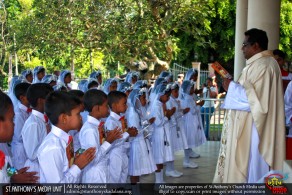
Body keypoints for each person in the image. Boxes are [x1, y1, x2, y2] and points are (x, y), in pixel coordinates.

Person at [213, 28, 285, 183]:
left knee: (253, 170)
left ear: (256, 46)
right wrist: (233, 86)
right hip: (250, 126)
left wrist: (231, 88)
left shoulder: (265, 65)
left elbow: (257, 102)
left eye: (244, 44)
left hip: (256, 130)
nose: (242, 48)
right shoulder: (259, 64)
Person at [37, 91, 96, 183]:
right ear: (64, 118)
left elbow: (65, 167)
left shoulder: (65, 139)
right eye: (78, 114)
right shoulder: (53, 147)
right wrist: (77, 166)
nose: (81, 118)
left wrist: (77, 158)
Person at [79, 89, 122, 183]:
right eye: (106, 106)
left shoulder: (97, 126)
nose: (108, 108)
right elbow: (93, 159)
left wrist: (108, 139)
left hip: (101, 171)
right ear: (96, 108)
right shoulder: (90, 129)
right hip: (95, 175)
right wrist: (108, 141)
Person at [0, 92, 38, 184]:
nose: (14, 124)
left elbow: (7, 166)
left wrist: (14, 174)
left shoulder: (2, 145)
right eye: (11, 119)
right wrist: (12, 180)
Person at [104, 91, 137, 183]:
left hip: (123, 152)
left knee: (123, 178)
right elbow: (112, 142)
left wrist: (131, 133)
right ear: (114, 106)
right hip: (115, 154)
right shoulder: (111, 121)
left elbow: (123, 135)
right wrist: (128, 134)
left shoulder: (121, 119)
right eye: (124, 104)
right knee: (115, 180)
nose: (126, 106)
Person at [21, 83, 53, 176]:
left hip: (43, 165)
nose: (52, 103)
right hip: (36, 170)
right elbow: (32, 155)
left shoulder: (42, 120)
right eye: (49, 99)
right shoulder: (34, 123)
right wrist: (48, 138)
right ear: (40, 101)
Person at [126, 88, 157, 184]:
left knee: (138, 169)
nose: (145, 100)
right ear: (136, 99)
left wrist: (146, 124)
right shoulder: (133, 113)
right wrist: (147, 124)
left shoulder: (138, 110)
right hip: (136, 144)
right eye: (143, 98)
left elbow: (141, 124)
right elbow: (135, 131)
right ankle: (135, 190)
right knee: (135, 170)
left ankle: (137, 190)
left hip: (140, 142)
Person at [149, 83, 175, 183]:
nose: (168, 98)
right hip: (157, 135)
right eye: (167, 96)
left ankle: (160, 180)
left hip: (162, 134)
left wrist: (167, 115)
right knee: (158, 159)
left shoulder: (160, 104)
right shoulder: (156, 106)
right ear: (161, 95)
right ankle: (158, 182)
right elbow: (158, 123)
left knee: (161, 158)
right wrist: (167, 116)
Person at [180, 80, 206, 168]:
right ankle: (186, 160)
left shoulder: (188, 97)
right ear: (187, 89)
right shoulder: (188, 98)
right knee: (188, 141)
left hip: (189, 121)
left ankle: (187, 160)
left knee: (188, 141)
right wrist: (200, 105)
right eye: (191, 88)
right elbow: (193, 111)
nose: (193, 89)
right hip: (189, 122)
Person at [11, 82, 31, 170]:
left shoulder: (28, 111)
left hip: (26, 148)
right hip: (20, 150)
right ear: (22, 98)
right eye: (30, 95)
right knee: (21, 172)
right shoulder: (18, 114)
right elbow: (19, 136)